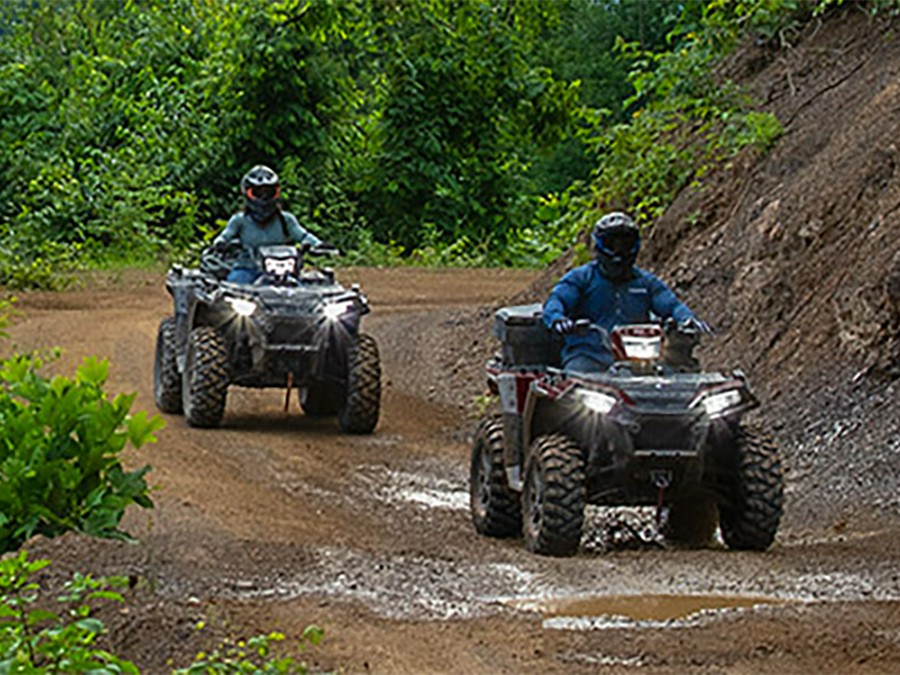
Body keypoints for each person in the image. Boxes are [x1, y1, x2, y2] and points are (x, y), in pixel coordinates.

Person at [542, 211, 710, 373]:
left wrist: (687, 319)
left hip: (642, 360)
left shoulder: (646, 282)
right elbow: (557, 300)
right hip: (589, 356)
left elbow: (671, 305)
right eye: (611, 244)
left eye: (625, 244)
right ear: (598, 246)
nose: (618, 251)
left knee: (679, 379)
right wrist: (558, 319)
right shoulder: (581, 278)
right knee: (574, 390)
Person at [212, 165, 329, 284]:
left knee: (304, 291)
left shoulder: (285, 219)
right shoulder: (239, 220)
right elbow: (225, 236)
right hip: (247, 268)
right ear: (247, 193)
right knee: (233, 288)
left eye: (269, 192)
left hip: (282, 271)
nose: (264, 197)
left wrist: (318, 245)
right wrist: (221, 244)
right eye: (258, 192)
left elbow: (302, 235)